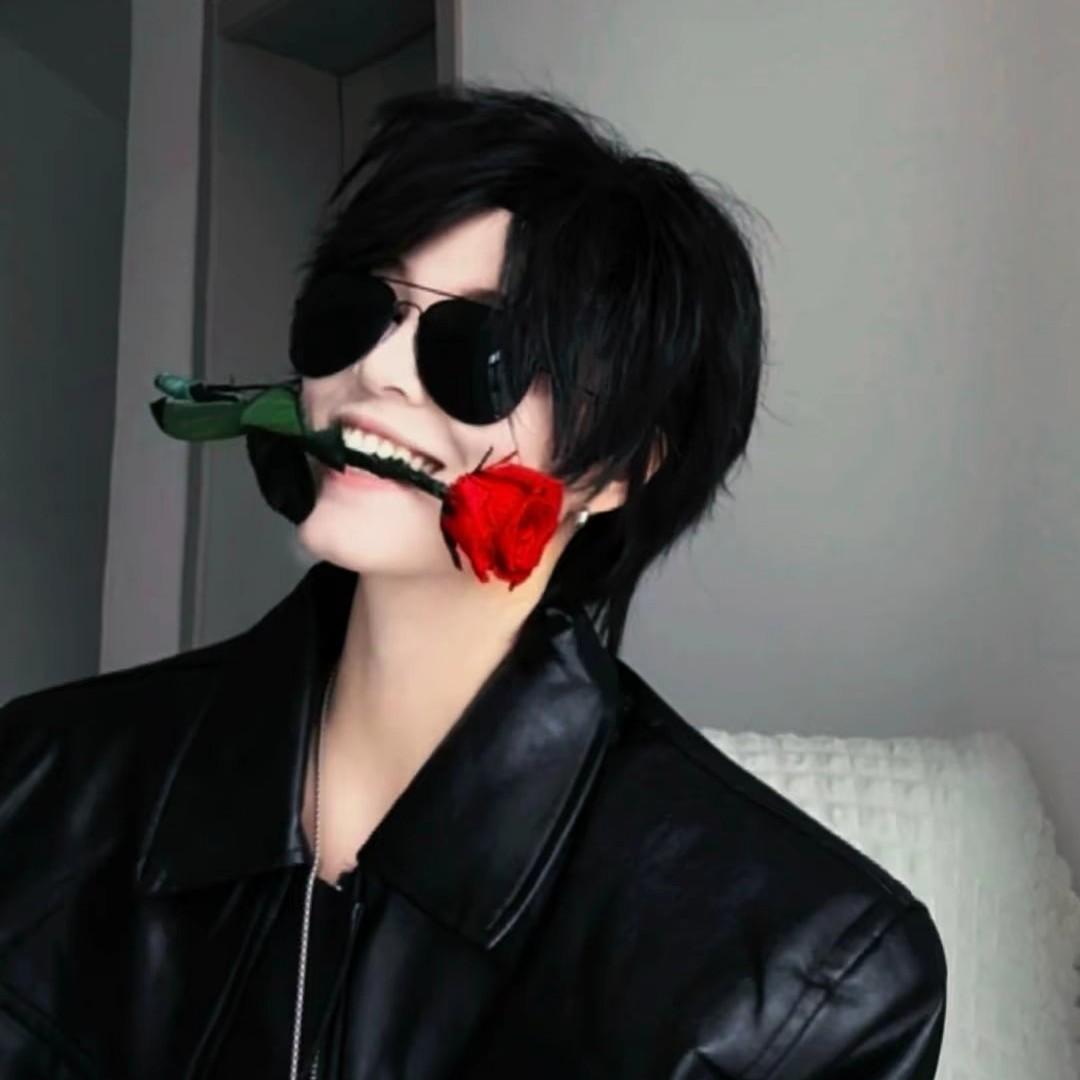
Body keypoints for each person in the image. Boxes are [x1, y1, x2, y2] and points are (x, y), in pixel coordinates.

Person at [0, 83, 947, 1078]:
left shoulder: (811, 978)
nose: (380, 369)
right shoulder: (40, 784)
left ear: (623, 469)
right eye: (360, 308)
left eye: (479, 346)